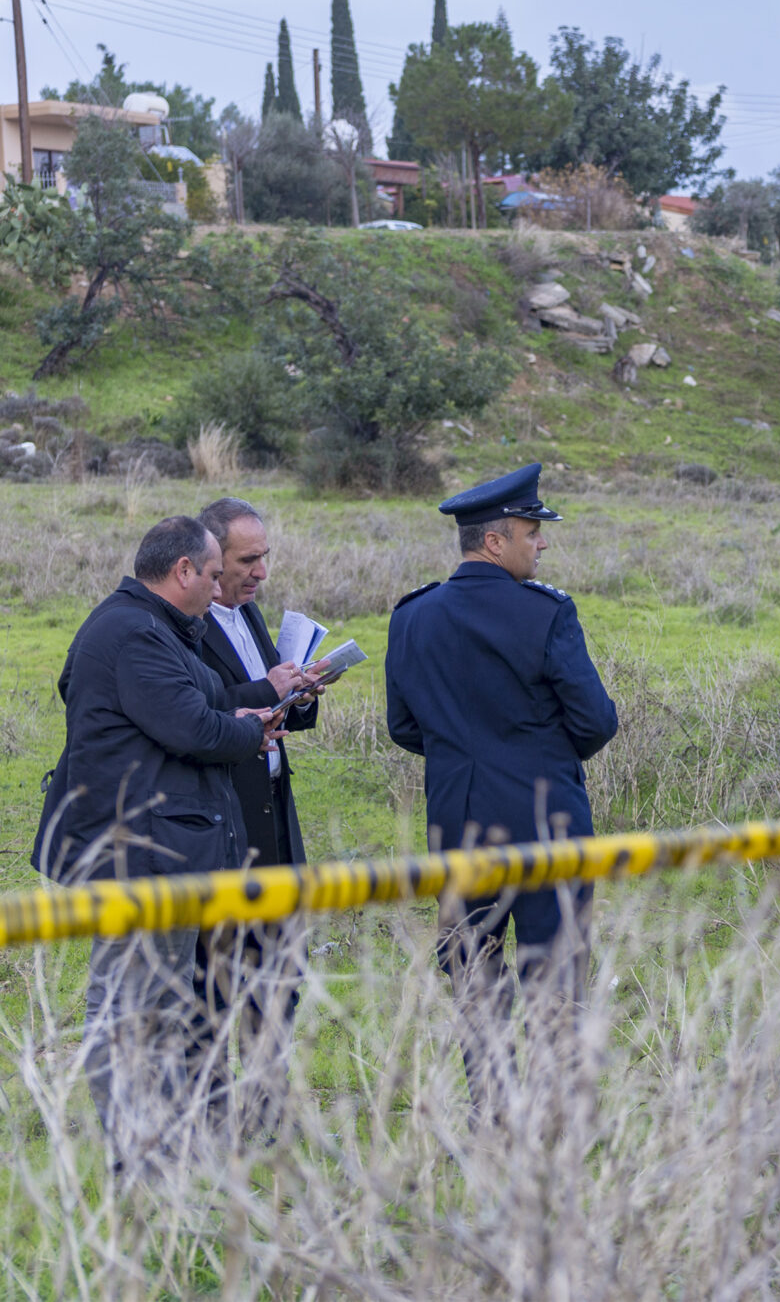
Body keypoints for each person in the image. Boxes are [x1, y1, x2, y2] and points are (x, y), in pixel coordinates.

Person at [35, 516, 281, 1162]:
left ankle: (162, 1135)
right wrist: (251, 732)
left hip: (158, 846)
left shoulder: (153, 627)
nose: (220, 584)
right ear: (182, 571)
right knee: (127, 1002)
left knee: (161, 997)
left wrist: (249, 707)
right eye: (211, 573)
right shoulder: (133, 634)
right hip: (139, 854)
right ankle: (133, 1144)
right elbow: (195, 727)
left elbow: (204, 700)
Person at [384, 464, 618, 1106]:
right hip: (550, 823)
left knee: (472, 977)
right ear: (495, 540)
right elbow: (596, 722)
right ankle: (551, 1117)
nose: (542, 543)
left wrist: (464, 753)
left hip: (460, 823)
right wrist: (539, 755)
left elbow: (403, 726)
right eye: (532, 531)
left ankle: (491, 1109)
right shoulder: (546, 613)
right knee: (557, 974)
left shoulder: (412, 617)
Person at [193, 497, 327, 1128]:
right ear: (211, 560)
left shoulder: (251, 614)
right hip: (227, 821)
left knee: (282, 965)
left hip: (275, 811)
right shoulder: (184, 625)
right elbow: (209, 707)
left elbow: (270, 705)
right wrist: (269, 689)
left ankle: (271, 1102)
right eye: (249, 560)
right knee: (221, 973)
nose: (261, 572)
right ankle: (217, 1109)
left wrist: (300, 693)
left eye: (265, 557)